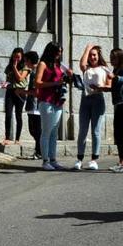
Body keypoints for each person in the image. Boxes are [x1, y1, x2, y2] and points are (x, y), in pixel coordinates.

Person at [73, 44, 112, 170]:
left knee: (95, 131)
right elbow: (81, 64)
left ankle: (94, 160)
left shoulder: (104, 68)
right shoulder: (86, 69)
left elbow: (109, 86)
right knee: (82, 131)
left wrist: (99, 88)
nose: (92, 57)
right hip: (85, 100)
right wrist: (87, 49)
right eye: (90, 55)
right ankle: (79, 159)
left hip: (98, 99)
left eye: (94, 55)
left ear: (98, 56)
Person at [34, 42, 72, 170]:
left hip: (57, 101)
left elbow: (61, 80)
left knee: (54, 132)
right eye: (58, 52)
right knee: (46, 131)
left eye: (60, 52)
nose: (59, 54)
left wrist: (67, 76)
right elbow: (38, 83)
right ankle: (45, 161)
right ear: (51, 51)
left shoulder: (58, 65)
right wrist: (55, 83)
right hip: (46, 100)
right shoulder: (42, 64)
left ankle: (53, 159)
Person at [3, 47, 27, 145]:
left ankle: (17, 138)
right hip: (10, 91)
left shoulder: (25, 67)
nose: (16, 59)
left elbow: (20, 79)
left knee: (18, 115)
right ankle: (7, 137)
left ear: (22, 57)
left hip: (20, 92)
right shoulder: (9, 67)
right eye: (14, 57)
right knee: (8, 114)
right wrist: (5, 84)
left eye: (18, 57)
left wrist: (14, 67)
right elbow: (8, 79)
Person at [21, 51, 42, 159]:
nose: (25, 62)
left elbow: (36, 91)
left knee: (37, 131)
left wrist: (22, 92)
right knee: (33, 130)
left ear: (29, 60)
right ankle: (40, 150)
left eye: (25, 60)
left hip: (36, 106)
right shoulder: (32, 71)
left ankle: (39, 152)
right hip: (31, 105)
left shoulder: (36, 72)